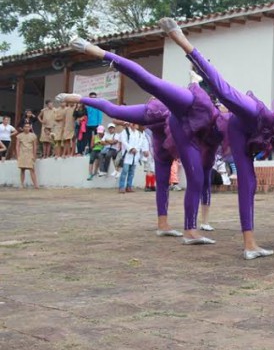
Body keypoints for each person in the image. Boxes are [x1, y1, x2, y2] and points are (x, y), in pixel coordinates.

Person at [161, 17, 274, 259]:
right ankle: (183, 41)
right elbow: (223, 89)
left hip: (238, 135)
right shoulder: (266, 118)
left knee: (248, 184)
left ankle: (250, 245)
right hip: (245, 120)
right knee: (224, 91)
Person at [66, 37, 225, 245]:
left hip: (176, 126)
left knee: (182, 178)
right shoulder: (182, 100)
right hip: (171, 121)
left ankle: (171, 226)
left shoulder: (205, 94)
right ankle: (183, 229)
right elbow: (120, 105)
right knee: (179, 177)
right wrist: (97, 56)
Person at [118, 123, 146, 193]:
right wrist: (130, 148)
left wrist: (136, 149)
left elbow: (140, 142)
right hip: (127, 154)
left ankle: (129, 186)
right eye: (136, 124)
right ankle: (121, 187)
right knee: (125, 171)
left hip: (135, 154)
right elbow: (124, 141)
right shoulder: (125, 131)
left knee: (132, 172)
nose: (137, 125)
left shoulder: (139, 133)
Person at [15, 122, 39, 189]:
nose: (27, 128)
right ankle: (22, 184)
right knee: (22, 169)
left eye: (28, 127)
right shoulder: (19, 136)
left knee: (32, 169)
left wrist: (34, 155)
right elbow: (17, 146)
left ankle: (36, 185)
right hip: (22, 154)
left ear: (30, 128)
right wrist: (18, 155)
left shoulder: (33, 136)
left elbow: (35, 146)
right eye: (25, 127)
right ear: (23, 128)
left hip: (30, 154)